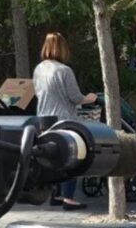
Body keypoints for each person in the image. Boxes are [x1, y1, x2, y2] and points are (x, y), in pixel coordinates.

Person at [33, 32, 97, 210]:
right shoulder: (64, 70)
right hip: (64, 119)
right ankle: (68, 198)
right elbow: (75, 97)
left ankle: (55, 194)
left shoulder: (39, 69)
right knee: (73, 155)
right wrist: (90, 98)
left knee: (52, 157)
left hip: (44, 118)